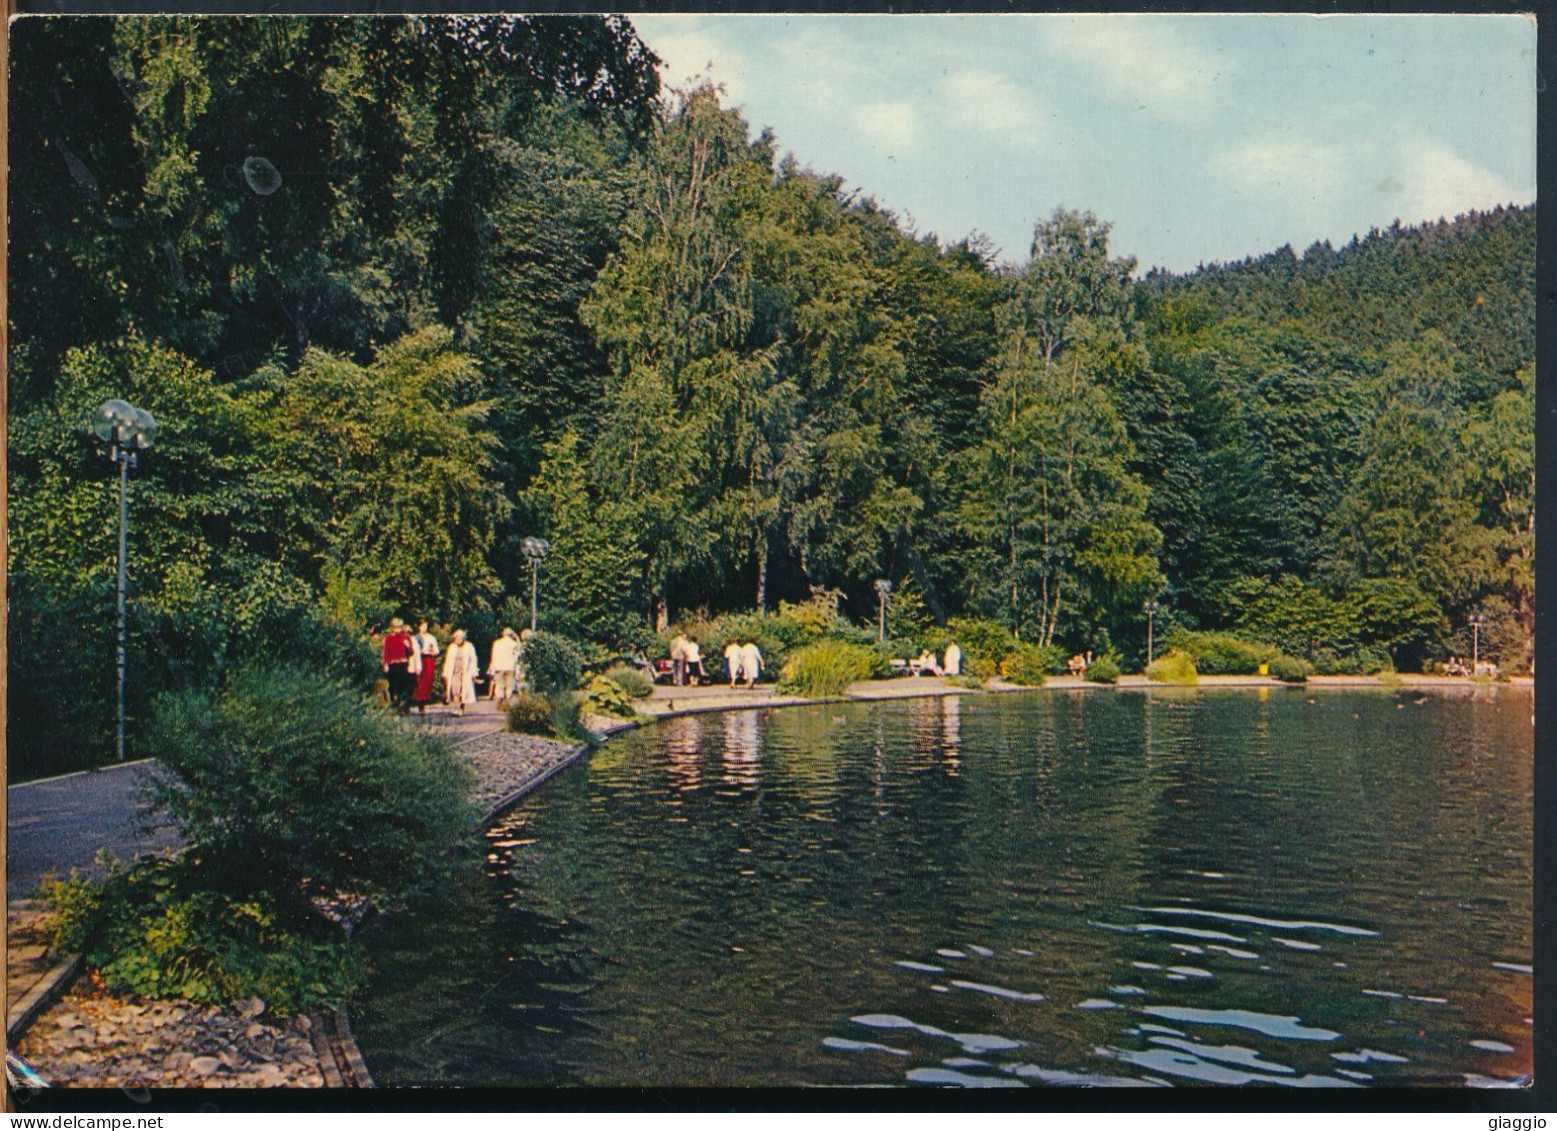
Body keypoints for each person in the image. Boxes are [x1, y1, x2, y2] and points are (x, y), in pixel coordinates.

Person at [381, 618, 416, 715]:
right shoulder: (388, 638)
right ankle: (394, 705)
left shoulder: (406, 637)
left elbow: (411, 652)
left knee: (403, 686)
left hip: (403, 663)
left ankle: (403, 707)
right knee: (393, 685)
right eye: (395, 627)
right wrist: (385, 664)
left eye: (399, 627)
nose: (397, 629)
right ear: (392, 628)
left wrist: (408, 646)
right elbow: (386, 652)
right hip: (392, 664)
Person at [443, 629, 480, 716]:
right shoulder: (452, 647)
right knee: (455, 690)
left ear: (464, 638)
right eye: (456, 639)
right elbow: (448, 661)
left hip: (465, 672)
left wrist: (473, 672)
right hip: (455, 672)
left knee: (464, 691)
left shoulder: (469, 646)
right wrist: (445, 672)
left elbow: (473, 659)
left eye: (460, 638)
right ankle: (457, 708)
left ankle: (462, 708)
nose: (458, 640)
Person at [412, 621, 440, 713]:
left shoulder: (431, 638)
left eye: (426, 625)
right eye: (422, 626)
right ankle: (418, 702)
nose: (424, 627)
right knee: (418, 681)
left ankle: (423, 702)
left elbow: (436, 651)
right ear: (419, 627)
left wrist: (430, 652)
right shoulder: (415, 638)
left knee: (427, 681)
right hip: (418, 659)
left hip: (428, 660)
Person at [489, 627, 520, 702]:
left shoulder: (496, 643)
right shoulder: (514, 644)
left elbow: (494, 656)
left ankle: (500, 700)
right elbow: (517, 656)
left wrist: (492, 669)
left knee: (499, 685)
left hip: (499, 667)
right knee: (509, 686)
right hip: (510, 667)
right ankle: (508, 701)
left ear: (503, 634)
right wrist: (517, 638)